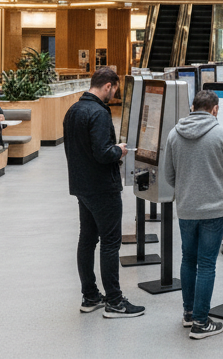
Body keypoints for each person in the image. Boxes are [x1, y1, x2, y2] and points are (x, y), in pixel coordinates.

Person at [64, 67, 144, 318]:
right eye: (114, 90)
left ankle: (90, 296)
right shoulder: (98, 113)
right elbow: (102, 152)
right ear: (108, 85)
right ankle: (115, 302)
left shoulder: (73, 110)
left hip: (82, 186)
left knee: (87, 239)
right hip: (102, 187)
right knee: (110, 242)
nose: (114, 95)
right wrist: (119, 150)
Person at [161, 90, 223, 340]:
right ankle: (201, 322)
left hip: (186, 208)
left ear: (193, 108)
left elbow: (168, 175)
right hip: (213, 209)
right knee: (207, 264)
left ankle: (188, 313)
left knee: (188, 259)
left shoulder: (174, 134)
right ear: (215, 109)